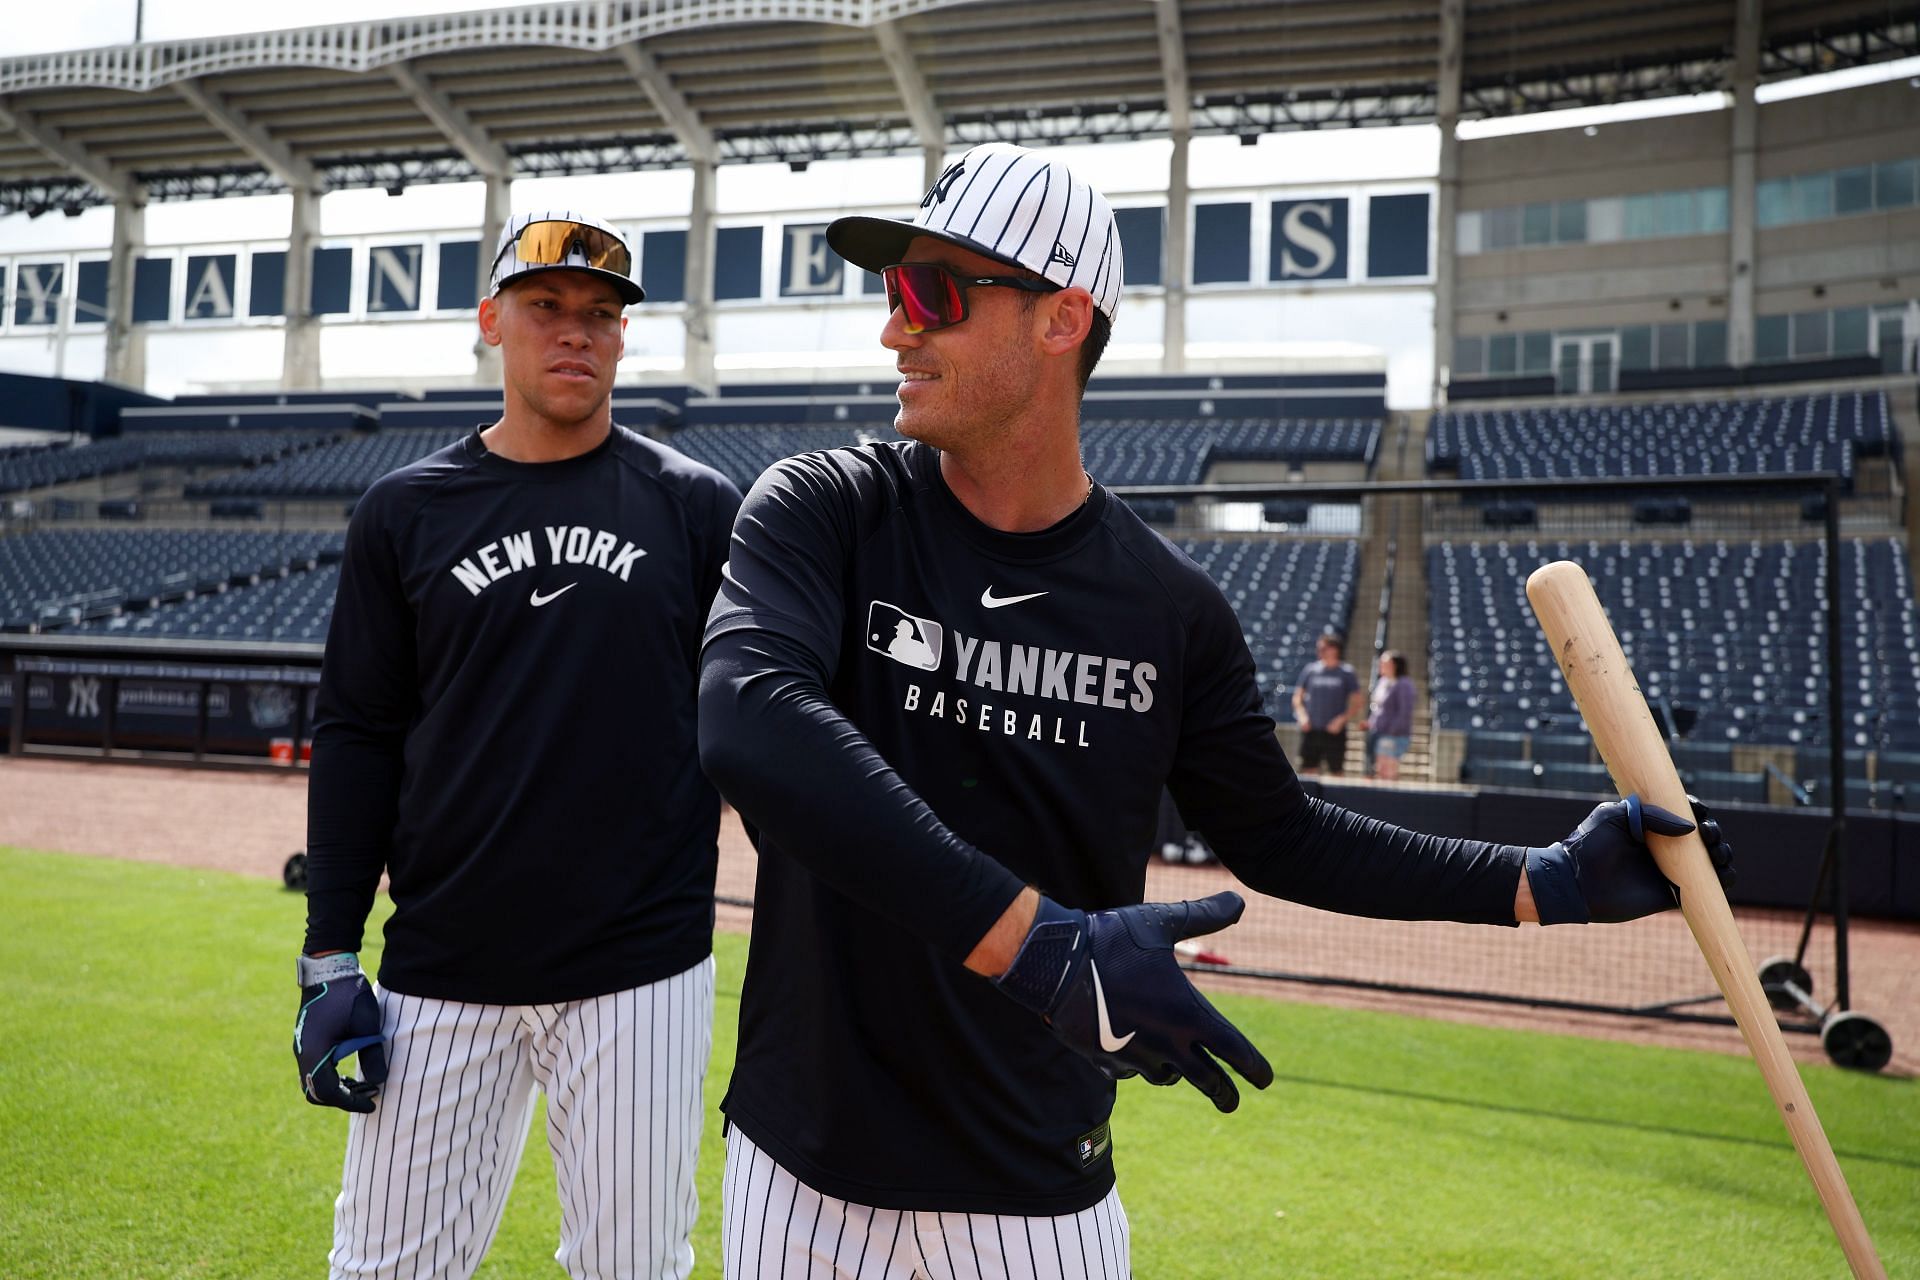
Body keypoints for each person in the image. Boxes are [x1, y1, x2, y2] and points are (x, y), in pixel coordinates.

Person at [695, 142, 1732, 1278]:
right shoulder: (824, 507)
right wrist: (1042, 949)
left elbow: (1281, 834)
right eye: (894, 293)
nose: (897, 329)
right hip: (801, 1176)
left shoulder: (1168, 605)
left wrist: (1545, 883)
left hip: (1037, 1197)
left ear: (1061, 318)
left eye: (934, 292)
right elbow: (753, 717)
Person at [293, 209, 742, 1280]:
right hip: (444, 962)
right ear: (492, 321)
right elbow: (358, 731)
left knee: (633, 1266)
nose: (575, 331)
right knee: (385, 1266)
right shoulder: (404, 511)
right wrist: (327, 951)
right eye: (546, 307)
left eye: (600, 314)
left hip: (640, 967)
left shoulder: (694, 508)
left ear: (625, 339)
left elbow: (753, 730)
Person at [1293, 632, 1363, 775]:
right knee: (1308, 771)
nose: (1320, 652)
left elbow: (1358, 702)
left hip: (1334, 732)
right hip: (1311, 730)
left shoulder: (1346, 672)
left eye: (1324, 648)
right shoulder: (1310, 670)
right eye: (1319, 648)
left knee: (1336, 772)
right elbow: (1297, 697)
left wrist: (1341, 720)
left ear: (1335, 649)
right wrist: (1302, 716)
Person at [1364, 650, 1416, 782]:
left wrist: (1392, 731)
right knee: (1380, 770)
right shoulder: (1382, 682)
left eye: (1384, 663)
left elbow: (1405, 712)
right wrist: (1371, 722)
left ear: (1395, 665)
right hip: (1378, 732)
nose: (1381, 665)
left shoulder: (1404, 684)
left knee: (1387, 771)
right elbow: (1377, 708)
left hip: (1393, 735)